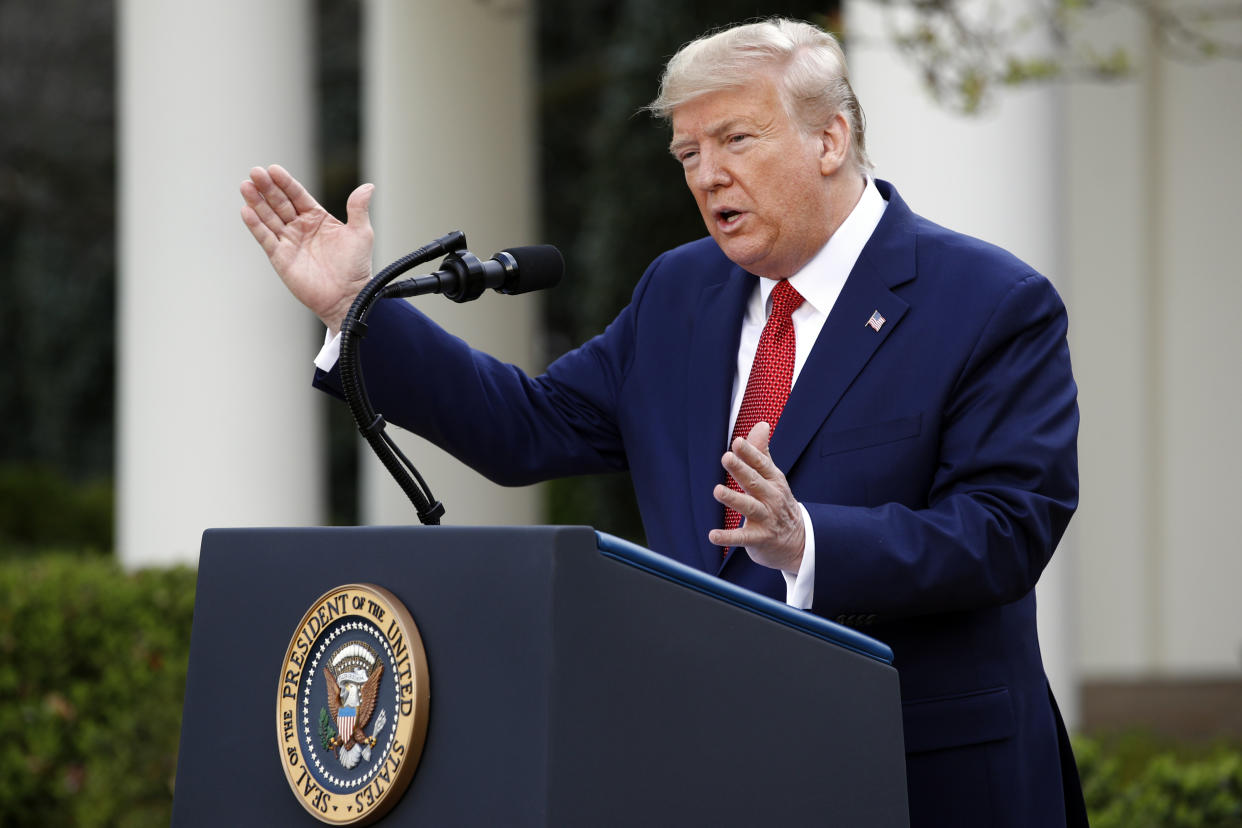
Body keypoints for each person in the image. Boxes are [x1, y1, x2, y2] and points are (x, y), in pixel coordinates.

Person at [241, 18, 1085, 827]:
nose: (706, 175)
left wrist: (809, 542)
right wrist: (358, 309)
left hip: (914, 773)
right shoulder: (680, 294)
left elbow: (1006, 531)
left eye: (736, 141)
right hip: (709, 772)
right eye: (688, 152)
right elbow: (526, 427)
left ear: (830, 140)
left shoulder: (987, 303)